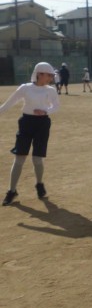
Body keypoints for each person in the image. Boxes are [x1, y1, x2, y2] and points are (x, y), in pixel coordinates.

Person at [1, 62, 60, 206]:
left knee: (37, 159)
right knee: (19, 157)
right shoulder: (25, 88)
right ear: (39, 74)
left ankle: (39, 184)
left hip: (42, 124)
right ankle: (12, 191)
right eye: (49, 75)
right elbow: (9, 103)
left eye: (52, 75)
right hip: (26, 123)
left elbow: (56, 106)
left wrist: (45, 111)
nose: (51, 78)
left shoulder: (51, 90)